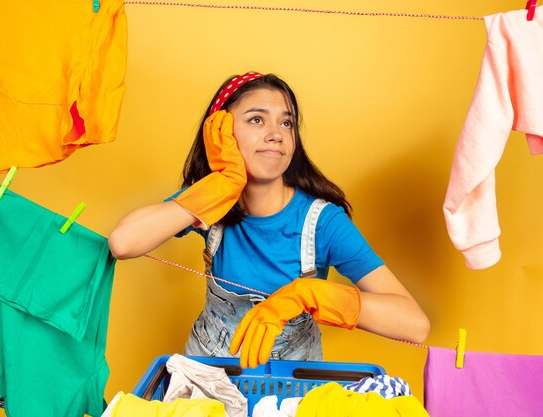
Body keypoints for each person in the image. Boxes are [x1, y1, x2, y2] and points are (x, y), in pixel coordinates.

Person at [108, 72, 430, 368]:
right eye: (257, 120)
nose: (276, 134)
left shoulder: (321, 223)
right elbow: (123, 243)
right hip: (207, 376)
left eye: (287, 124)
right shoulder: (210, 204)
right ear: (221, 133)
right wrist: (223, 184)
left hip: (290, 388)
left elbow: (415, 325)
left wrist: (309, 294)